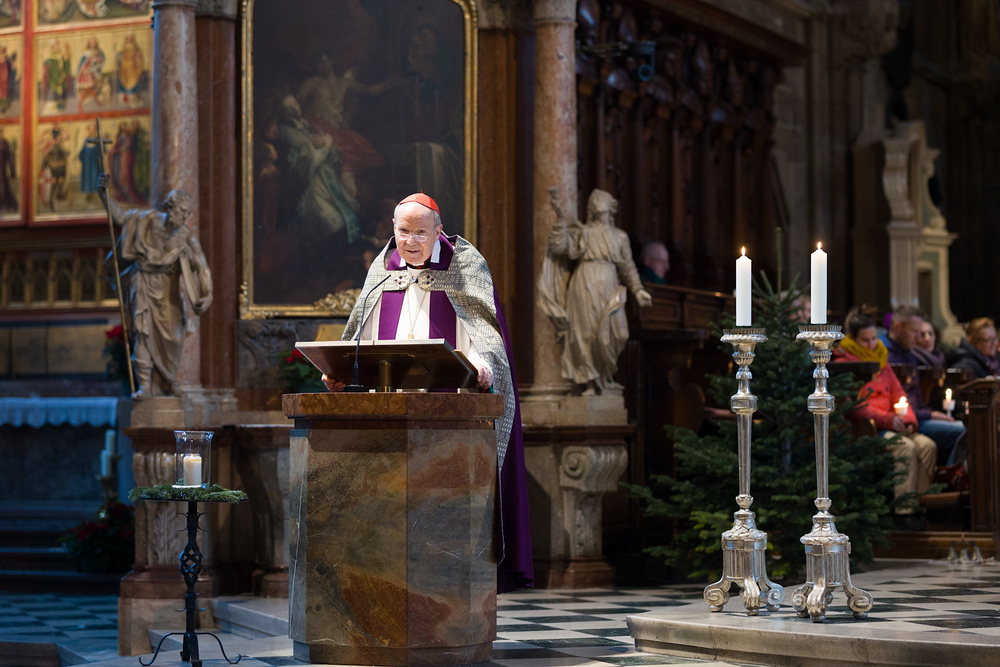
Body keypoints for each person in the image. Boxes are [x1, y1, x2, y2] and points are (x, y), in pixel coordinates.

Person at [322, 192, 533, 594]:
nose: (411, 241)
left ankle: (445, 594)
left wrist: (483, 363)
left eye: (421, 232)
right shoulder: (382, 267)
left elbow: (484, 330)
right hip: (389, 419)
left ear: (438, 231)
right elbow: (360, 332)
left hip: (449, 421)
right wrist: (343, 373)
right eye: (404, 231)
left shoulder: (464, 264)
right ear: (393, 229)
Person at [98, 172, 212, 399]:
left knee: (175, 338)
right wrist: (104, 195)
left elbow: (202, 267)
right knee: (144, 334)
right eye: (181, 211)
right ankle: (145, 386)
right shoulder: (146, 220)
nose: (183, 217)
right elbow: (120, 217)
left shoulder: (186, 236)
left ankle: (169, 380)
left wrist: (207, 295)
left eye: (187, 214)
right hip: (143, 282)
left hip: (168, 290)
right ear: (170, 207)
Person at [538, 188, 652, 395]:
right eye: (593, 199)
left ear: (611, 206)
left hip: (609, 285)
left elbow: (627, 267)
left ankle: (605, 376)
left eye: (601, 198)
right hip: (584, 284)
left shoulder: (620, 237)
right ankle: (591, 381)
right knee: (586, 333)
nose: (596, 201)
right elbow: (558, 247)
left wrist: (638, 290)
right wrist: (561, 218)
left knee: (619, 334)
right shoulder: (583, 232)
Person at [834, 310, 936, 529]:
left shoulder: (882, 360)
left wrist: (908, 421)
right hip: (867, 429)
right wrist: (889, 420)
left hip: (893, 423)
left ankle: (920, 505)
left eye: (874, 338)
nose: (872, 344)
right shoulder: (844, 362)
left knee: (927, 445)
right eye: (865, 340)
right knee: (906, 447)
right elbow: (853, 407)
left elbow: (899, 395)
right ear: (852, 338)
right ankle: (904, 512)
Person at [886, 305, 966, 465]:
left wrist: (932, 413)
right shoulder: (886, 355)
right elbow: (893, 404)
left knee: (967, 427)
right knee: (964, 431)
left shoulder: (910, 354)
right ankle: (951, 475)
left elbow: (918, 399)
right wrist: (931, 415)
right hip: (904, 420)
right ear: (897, 327)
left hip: (918, 416)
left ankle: (951, 474)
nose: (918, 337)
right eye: (915, 331)